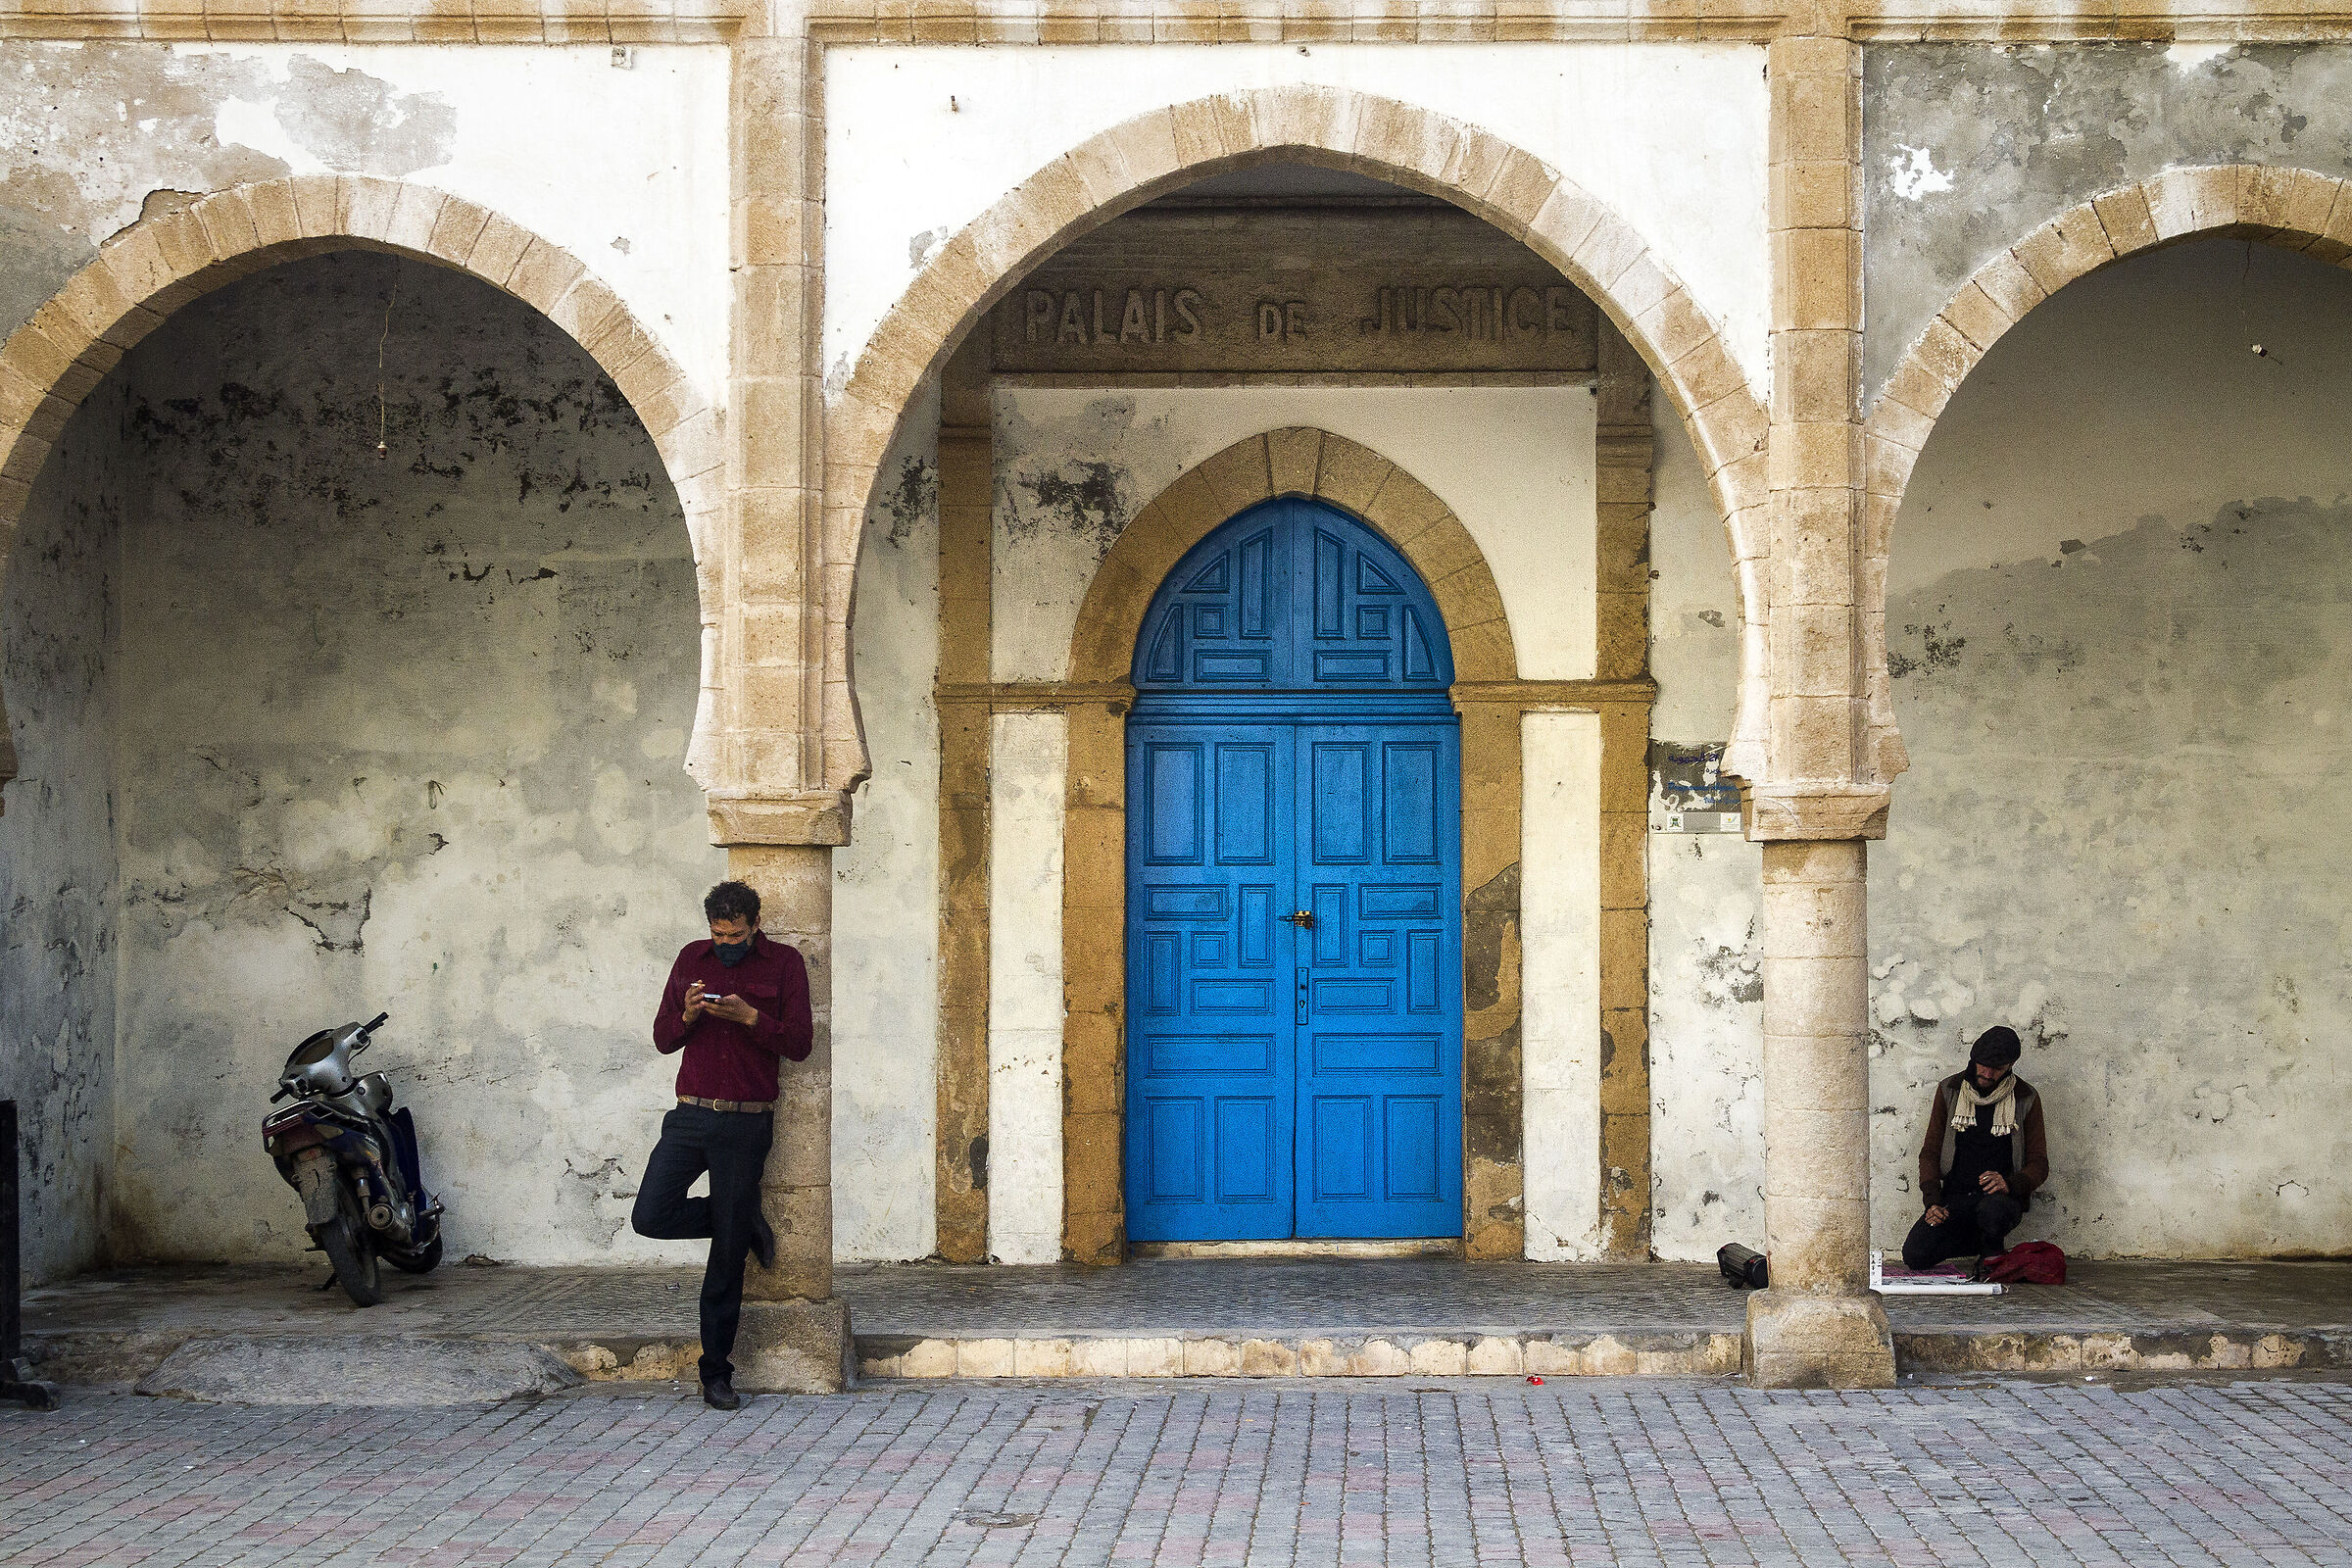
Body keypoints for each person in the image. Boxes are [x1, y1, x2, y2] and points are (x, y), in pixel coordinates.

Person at [631, 879, 812, 1410]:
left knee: (726, 1260)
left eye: (735, 934)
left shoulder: (785, 964)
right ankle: (742, 1218)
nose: (726, 942)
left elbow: (800, 1043)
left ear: (755, 925)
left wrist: (752, 1018)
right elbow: (663, 1038)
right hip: (690, 1115)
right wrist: (688, 1015)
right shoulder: (691, 958)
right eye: (718, 933)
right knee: (650, 1214)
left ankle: (716, 1373)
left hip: (746, 1122)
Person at [1901, 1025, 2049, 1271]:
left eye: (1997, 1068)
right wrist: (1933, 1203)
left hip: (1999, 1202)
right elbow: (1930, 1153)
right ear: (1973, 1059)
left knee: (1992, 1211)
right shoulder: (1950, 1089)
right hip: (1956, 1197)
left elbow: (2039, 1163)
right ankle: (1981, 1243)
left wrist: (2009, 1184)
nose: (1988, 1074)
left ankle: (1991, 1246)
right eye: (1983, 1065)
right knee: (1915, 1255)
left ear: (2011, 1065)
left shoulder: (2025, 1097)